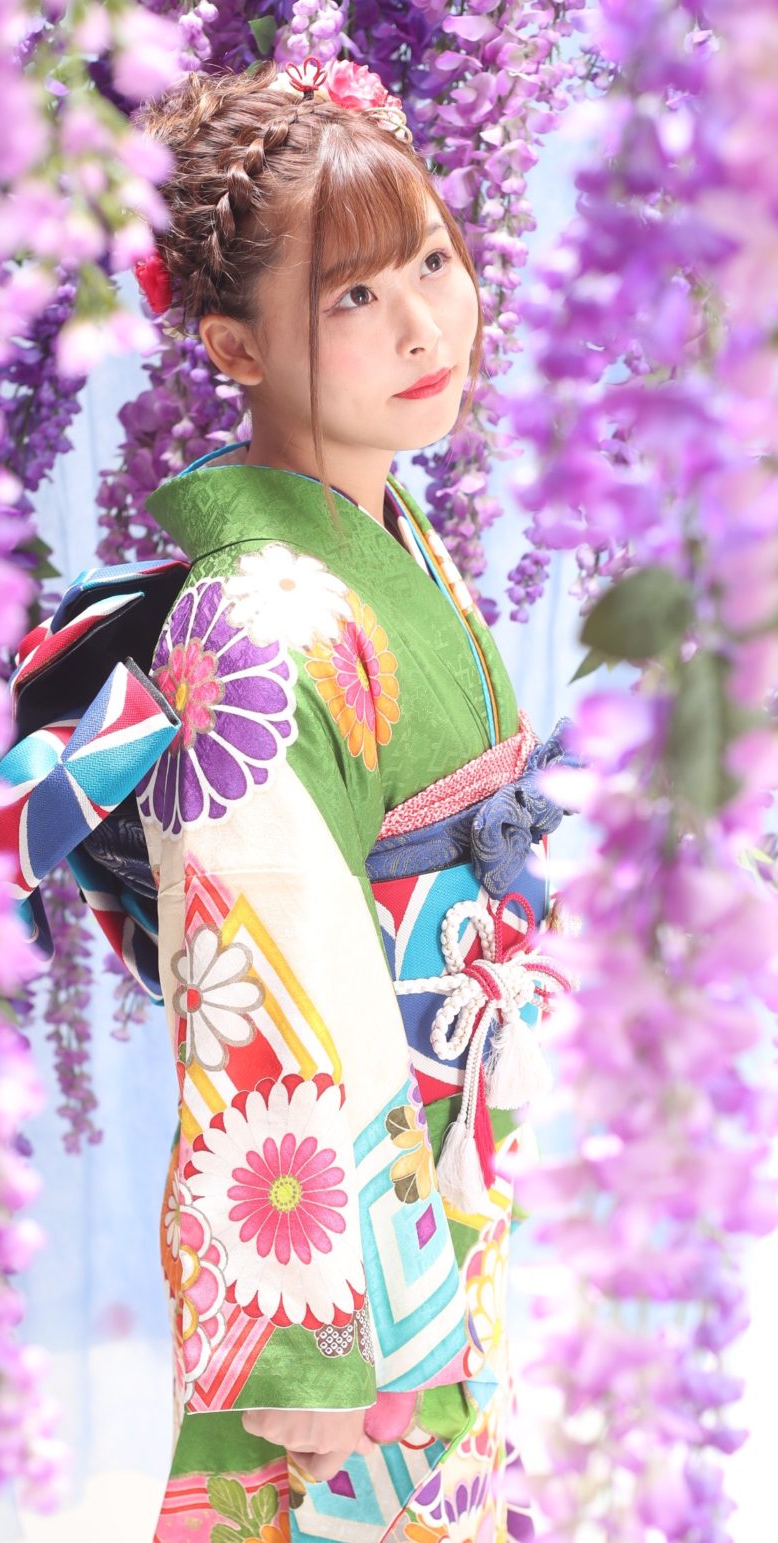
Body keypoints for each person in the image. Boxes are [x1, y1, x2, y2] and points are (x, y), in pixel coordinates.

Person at [128, 54, 578, 1543]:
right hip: (338, 1247)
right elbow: (265, 965)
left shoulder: (394, 544)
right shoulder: (259, 619)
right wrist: (306, 1328)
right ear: (233, 347)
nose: (424, 325)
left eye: (434, 261)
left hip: (436, 1174)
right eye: (354, 296)